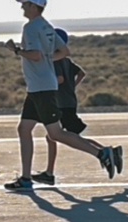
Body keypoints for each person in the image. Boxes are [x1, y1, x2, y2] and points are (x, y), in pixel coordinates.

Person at [3, 0, 121, 191]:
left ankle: (102, 154)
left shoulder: (31, 28)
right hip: (38, 87)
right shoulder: (47, 26)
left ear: (33, 6)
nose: (22, 7)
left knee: (56, 133)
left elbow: (37, 55)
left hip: (41, 87)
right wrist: (48, 61)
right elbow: (64, 52)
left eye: (25, 4)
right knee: (24, 129)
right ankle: (25, 178)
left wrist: (16, 50)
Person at [31, 28, 122, 185]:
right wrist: (72, 86)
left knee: (65, 137)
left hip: (60, 103)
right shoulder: (66, 60)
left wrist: (43, 83)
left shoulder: (55, 60)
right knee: (55, 136)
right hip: (68, 102)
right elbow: (81, 73)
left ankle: (106, 152)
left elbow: (59, 79)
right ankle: (49, 172)